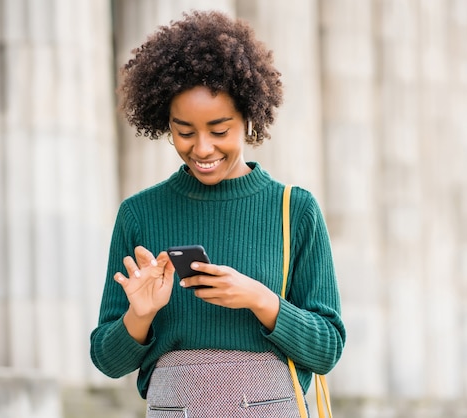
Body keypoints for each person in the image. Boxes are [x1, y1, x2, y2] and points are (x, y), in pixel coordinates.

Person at [90, 9, 345, 417]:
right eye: (184, 132)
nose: (202, 148)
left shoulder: (295, 211)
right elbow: (108, 360)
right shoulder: (139, 214)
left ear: (248, 116)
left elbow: (328, 348)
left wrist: (260, 300)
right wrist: (141, 315)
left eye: (220, 130)